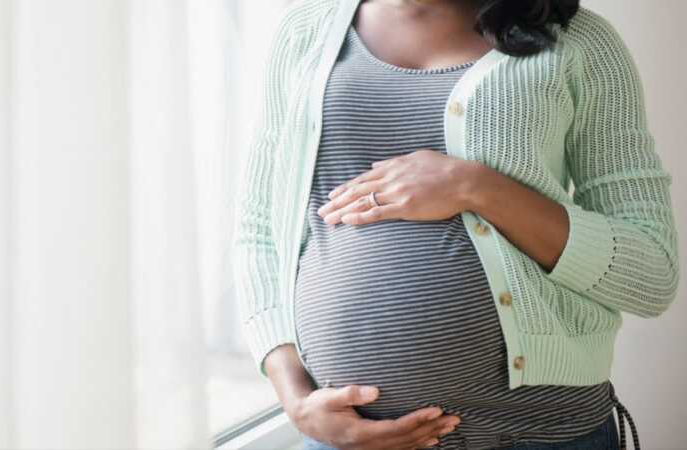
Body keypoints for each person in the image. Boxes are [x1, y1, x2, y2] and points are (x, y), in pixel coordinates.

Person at [231, 0, 679, 449]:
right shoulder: (305, 30)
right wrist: (296, 400)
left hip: (541, 433)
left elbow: (651, 271)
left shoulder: (578, 41)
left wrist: (477, 187)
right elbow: (260, 233)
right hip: (348, 438)